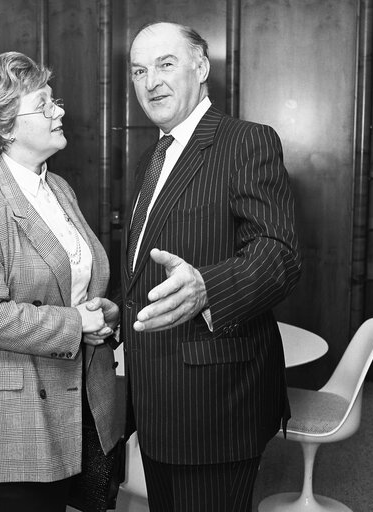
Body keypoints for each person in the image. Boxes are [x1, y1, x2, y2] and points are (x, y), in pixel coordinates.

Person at [120, 22, 302, 511]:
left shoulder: (246, 141)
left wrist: (208, 289)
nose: (150, 81)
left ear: (201, 68)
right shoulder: (150, 157)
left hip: (214, 402)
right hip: (156, 396)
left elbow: (278, 252)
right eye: (139, 70)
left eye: (165, 64)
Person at [0, 51, 122, 512]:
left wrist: (101, 313)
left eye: (53, 99)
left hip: (74, 402)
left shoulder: (58, 188)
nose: (59, 110)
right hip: (9, 420)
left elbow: (76, 284)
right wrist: (75, 324)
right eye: (44, 104)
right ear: (5, 128)